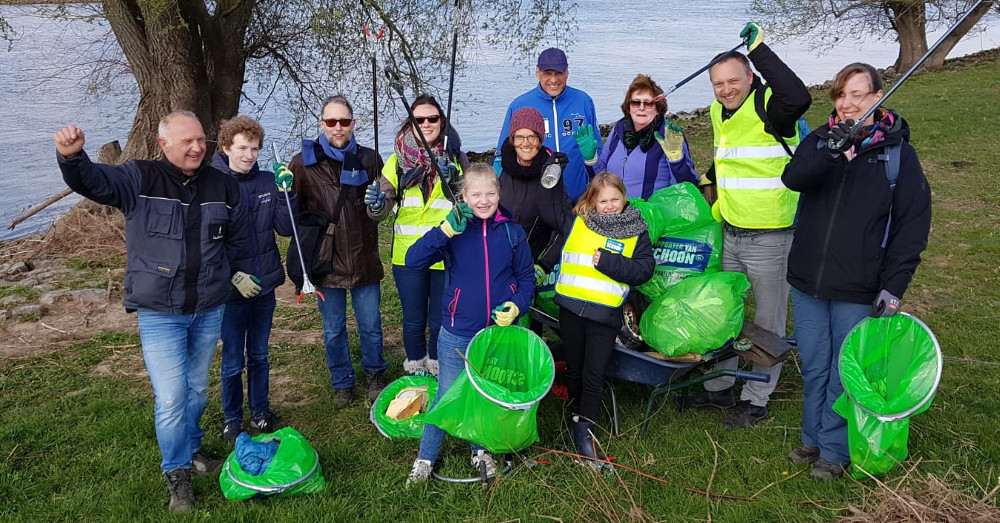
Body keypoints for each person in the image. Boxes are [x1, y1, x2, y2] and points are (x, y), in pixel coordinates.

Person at [54, 111, 251, 513]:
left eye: (201, 140)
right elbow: (93, 181)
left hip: (209, 307)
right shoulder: (138, 179)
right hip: (160, 312)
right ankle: (176, 473)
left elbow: (238, 238)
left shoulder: (223, 185)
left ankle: (193, 451)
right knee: (171, 397)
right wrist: (72, 158)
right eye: (187, 142)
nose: (197, 148)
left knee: (197, 389)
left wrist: (240, 273)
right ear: (163, 145)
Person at [781, 63, 931, 480]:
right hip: (809, 278)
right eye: (841, 95)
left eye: (858, 95)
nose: (848, 104)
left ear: (878, 97)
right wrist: (831, 149)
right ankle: (811, 437)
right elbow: (794, 178)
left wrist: (894, 286)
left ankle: (834, 450)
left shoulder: (896, 153)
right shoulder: (821, 138)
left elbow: (912, 227)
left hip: (859, 284)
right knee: (813, 364)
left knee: (843, 370)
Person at [687, 22, 812, 429]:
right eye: (718, 84)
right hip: (730, 232)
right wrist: (708, 177)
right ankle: (719, 386)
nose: (725, 90)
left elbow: (799, 96)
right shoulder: (716, 111)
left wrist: (758, 48)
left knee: (768, 321)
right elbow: (733, 155)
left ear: (750, 77)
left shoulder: (772, 105)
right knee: (724, 311)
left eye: (733, 81)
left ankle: (756, 397)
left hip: (771, 237)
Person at [404, 164, 536, 484]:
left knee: (485, 393)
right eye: (476, 194)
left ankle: (480, 449)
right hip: (457, 332)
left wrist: (516, 306)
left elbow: (527, 278)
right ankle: (425, 458)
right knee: (448, 394)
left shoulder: (512, 231)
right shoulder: (455, 229)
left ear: (498, 193)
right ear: (464, 196)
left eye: (490, 193)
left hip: (495, 333)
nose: (483, 200)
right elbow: (413, 260)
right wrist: (445, 231)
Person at [286, 95, 388, 408]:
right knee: (333, 329)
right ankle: (341, 381)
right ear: (321, 123)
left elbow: (381, 209)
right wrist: (281, 190)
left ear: (353, 123)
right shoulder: (302, 163)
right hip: (325, 261)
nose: (338, 127)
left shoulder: (370, 159)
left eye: (344, 121)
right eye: (331, 122)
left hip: (363, 257)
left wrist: (379, 205)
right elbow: (292, 214)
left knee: (371, 325)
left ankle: (375, 373)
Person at [554, 172, 655, 465]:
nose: (610, 205)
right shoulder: (579, 222)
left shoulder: (637, 229)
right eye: (603, 200)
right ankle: (573, 417)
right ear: (592, 201)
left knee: (594, 374)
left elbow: (644, 270)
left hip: (604, 314)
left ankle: (587, 431)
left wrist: (610, 263)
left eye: (616, 199)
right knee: (574, 369)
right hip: (571, 308)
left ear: (624, 198)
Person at [366, 94, 470, 375]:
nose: (426, 124)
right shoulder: (396, 161)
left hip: (446, 253)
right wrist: (376, 205)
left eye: (432, 118)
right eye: (418, 119)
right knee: (413, 321)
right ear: (410, 123)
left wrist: (455, 180)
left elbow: (471, 201)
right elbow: (382, 206)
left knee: (439, 320)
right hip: (408, 255)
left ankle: (438, 368)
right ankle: (415, 368)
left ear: (442, 122)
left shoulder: (457, 157)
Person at [212, 115, 296, 442]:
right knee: (233, 359)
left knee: (259, 354)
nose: (250, 155)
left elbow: (285, 228)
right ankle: (232, 418)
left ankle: (260, 412)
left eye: (255, 149)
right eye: (243, 148)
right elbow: (206, 242)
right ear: (225, 148)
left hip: (264, 284)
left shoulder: (264, 181)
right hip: (230, 291)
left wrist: (287, 192)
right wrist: (232, 276)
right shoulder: (213, 184)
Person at [495, 47, 600, 203]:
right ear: (537, 72)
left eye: (558, 73)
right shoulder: (520, 105)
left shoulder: (583, 101)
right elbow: (502, 155)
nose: (553, 80)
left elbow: (598, 150)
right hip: (536, 202)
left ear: (567, 72)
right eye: (547, 74)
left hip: (579, 199)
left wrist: (592, 161)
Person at [577, 74, 699, 199]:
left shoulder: (669, 137)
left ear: (658, 108)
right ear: (628, 107)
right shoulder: (617, 132)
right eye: (636, 103)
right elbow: (601, 178)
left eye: (648, 103)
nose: (641, 108)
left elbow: (688, 187)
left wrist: (677, 161)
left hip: (652, 215)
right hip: (614, 212)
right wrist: (591, 160)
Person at [498, 106, 575, 273]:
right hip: (495, 261)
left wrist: (543, 265)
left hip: (530, 265)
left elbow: (564, 225)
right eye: (519, 137)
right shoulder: (496, 170)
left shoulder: (550, 176)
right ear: (512, 139)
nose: (525, 143)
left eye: (531, 137)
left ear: (540, 140)